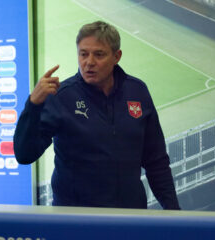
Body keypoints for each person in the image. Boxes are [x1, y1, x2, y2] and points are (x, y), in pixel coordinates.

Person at [14, 21, 180, 209]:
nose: (89, 62)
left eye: (99, 54)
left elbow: (156, 161)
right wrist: (33, 105)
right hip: (77, 222)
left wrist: (174, 211)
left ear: (116, 56)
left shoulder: (137, 92)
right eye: (83, 54)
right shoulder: (61, 97)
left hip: (130, 217)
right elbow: (24, 154)